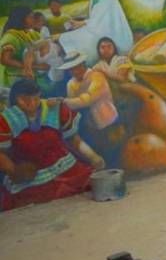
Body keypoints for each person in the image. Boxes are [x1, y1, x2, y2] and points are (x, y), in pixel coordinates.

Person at [0, 79, 102, 211]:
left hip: (67, 169)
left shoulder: (53, 109)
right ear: (15, 99)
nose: (32, 103)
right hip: (31, 180)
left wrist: (92, 156)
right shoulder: (6, 120)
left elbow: (74, 140)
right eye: (25, 100)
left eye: (36, 98)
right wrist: (13, 170)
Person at [61, 51, 123, 165]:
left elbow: (88, 99)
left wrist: (64, 102)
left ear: (83, 64)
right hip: (90, 125)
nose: (75, 71)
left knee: (115, 150)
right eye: (72, 68)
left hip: (108, 120)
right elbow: (73, 106)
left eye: (77, 67)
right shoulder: (71, 83)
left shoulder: (96, 76)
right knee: (100, 152)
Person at [57, 0, 134, 62]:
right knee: (71, 37)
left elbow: (97, 23)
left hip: (114, 37)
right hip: (101, 31)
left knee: (72, 38)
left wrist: (80, 24)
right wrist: (80, 23)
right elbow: (96, 20)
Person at [0, 7, 43, 88]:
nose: (34, 20)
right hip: (14, 79)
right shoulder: (11, 36)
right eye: (30, 17)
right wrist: (33, 67)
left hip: (30, 76)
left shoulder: (32, 34)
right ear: (20, 19)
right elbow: (5, 60)